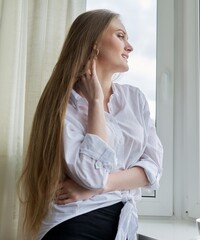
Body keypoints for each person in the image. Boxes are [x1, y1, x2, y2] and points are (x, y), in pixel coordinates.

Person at [18, 9, 163, 240]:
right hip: (74, 220)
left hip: (123, 222)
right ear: (93, 43)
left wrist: (96, 188)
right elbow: (91, 175)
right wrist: (95, 101)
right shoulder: (64, 106)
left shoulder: (135, 99)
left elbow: (153, 170)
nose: (130, 46)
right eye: (120, 36)